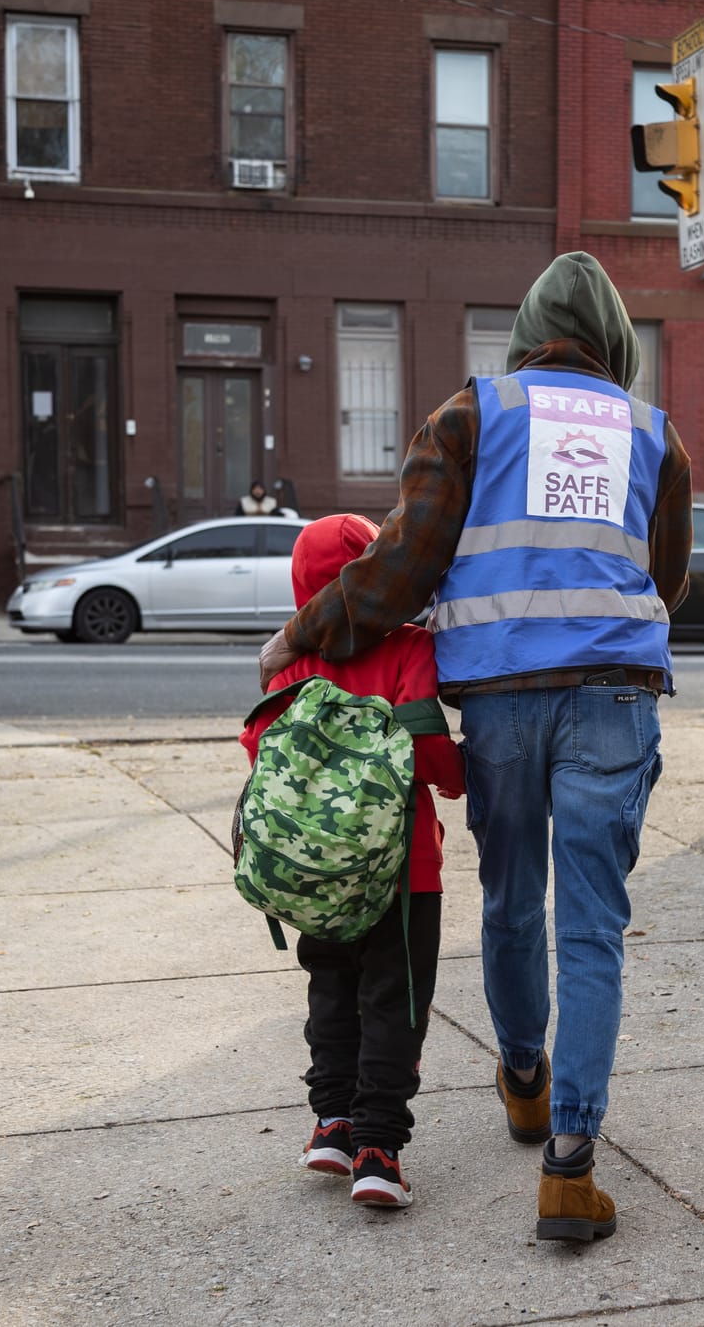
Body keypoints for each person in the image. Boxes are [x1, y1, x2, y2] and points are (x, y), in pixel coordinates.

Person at [259, 251, 691, 1242]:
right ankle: (569, 1167)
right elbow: (664, 583)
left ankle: (525, 1074)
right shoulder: (651, 433)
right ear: (616, 342)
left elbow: (401, 565)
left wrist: (306, 629)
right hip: (613, 698)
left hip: (498, 704)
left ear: (526, 327)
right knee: (590, 925)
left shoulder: (470, 414)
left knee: (509, 898)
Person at [243, 513, 466, 1209]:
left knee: (332, 994)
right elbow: (426, 745)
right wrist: (460, 780)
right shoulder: (408, 646)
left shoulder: (294, 658)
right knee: (395, 1002)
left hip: (319, 874)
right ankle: (378, 1147)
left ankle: (331, 1122)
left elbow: (260, 746)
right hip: (403, 873)